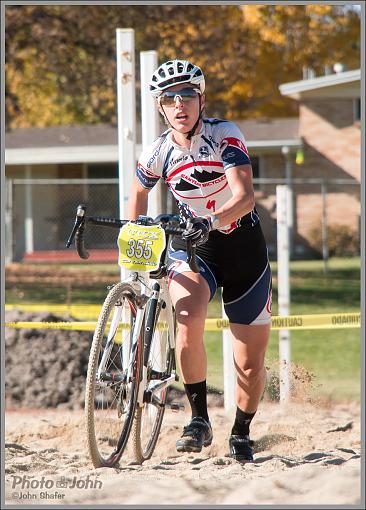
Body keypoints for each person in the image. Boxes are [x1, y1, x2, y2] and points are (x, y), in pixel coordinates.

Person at [128, 59, 272, 462]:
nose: (179, 105)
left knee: (249, 363)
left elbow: (244, 196)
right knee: (188, 319)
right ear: (160, 107)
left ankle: (241, 431)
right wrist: (136, 230)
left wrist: (211, 219)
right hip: (196, 248)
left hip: (243, 249)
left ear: (201, 99)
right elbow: (138, 194)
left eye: (187, 95)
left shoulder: (224, 134)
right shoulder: (158, 150)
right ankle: (199, 420)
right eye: (170, 98)